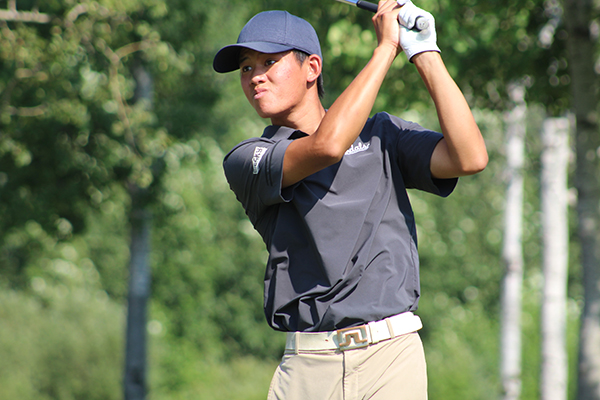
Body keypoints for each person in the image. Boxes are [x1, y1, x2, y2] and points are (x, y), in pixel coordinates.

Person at [212, 1, 487, 399]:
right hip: (308, 364)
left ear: (312, 68)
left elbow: (470, 157)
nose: (256, 77)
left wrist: (425, 52)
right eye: (246, 68)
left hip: (391, 355)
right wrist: (385, 49)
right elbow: (328, 146)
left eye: (269, 62)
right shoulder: (248, 159)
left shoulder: (382, 135)